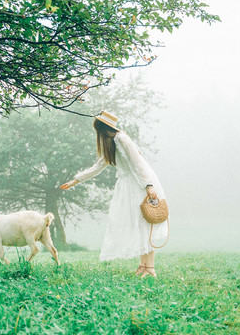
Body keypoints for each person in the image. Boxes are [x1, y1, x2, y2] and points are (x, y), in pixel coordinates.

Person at [60, 111, 168, 278]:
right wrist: (75, 180)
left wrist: (148, 185)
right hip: (128, 185)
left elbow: (138, 163)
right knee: (138, 224)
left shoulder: (122, 139)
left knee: (145, 224)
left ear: (104, 128)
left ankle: (150, 267)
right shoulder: (111, 142)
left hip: (140, 183)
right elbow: (98, 166)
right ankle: (143, 265)